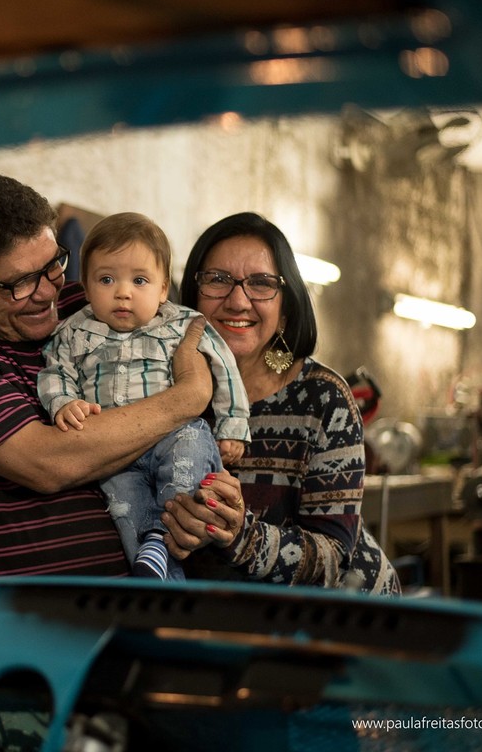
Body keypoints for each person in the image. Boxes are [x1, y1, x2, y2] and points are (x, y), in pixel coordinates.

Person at [0, 174, 225, 577]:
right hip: (25, 615)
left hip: (148, 597)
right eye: (21, 282)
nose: (48, 292)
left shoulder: (88, 306)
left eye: (53, 265)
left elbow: (187, 338)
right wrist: (187, 399)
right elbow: (47, 462)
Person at [161, 212, 400, 594]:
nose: (238, 301)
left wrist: (240, 536)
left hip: (343, 616)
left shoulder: (323, 399)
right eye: (218, 280)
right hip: (228, 613)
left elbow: (334, 557)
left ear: (286, 310)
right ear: (191, 298)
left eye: (261, 283)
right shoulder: (168, 390)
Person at [37, 212, 250, 580]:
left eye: (139, 280)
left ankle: (161, 540)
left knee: (190, 468)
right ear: (85, 286)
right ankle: (161, 574)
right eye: (106, 279)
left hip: (173, 435)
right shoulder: (72, 332)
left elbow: (224, 367)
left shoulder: (183, 324)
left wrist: (232, 424)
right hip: (113, 452)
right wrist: (64, 402)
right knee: (123, 506)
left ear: (163, 288)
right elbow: (55, 371)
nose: (123, 292)